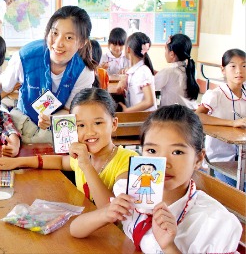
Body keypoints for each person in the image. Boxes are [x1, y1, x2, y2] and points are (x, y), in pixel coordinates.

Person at [70, 105, 242, 253]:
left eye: (177, 152)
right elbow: (75, 230)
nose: (163, 163)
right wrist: (106, 213)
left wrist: (169, 247)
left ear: (198, 160)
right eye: (152, 151)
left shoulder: (213, 222)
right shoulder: (131, 194)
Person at [0, 88, 138, 208]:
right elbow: (60, 161)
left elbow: (110, 210)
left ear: (114, 124)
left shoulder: (130, 161)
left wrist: (85, 165)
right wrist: (17, 163)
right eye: (81, 125)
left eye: (98, 123)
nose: (90, 132)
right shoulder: (84, 155)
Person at [0, 5, 96, 143]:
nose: (58, 43)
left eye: (68, 37)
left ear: (82, 43)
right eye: (54, 33)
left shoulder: (84, 72)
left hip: (58, 132)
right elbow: (2, 87)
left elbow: (70, 109)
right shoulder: (25, 57)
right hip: (21, 127)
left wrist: (53, 119)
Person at [196, 48, 246, 186]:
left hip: (242, 159)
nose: (239, 71)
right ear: (223, 70)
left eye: (244, 65)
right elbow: (197, 116)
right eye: (233, 66)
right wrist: (232, 123)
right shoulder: (215, 95)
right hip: (220, 159)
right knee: (236, 195)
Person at [155, 34, 199, 109]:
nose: (165, 52)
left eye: (166, 49)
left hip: (173, 116)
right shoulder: (192, 70)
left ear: (172, 54)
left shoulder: (168, 72)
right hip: (191, 113)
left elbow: (151, 86)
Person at [117, 32, 157, 112]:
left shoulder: (143, 71)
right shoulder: (135, 70)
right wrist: (123, 81)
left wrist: (127, 111)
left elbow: (149, 101)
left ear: (128, 49)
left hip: (144, 119)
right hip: (138, 117)